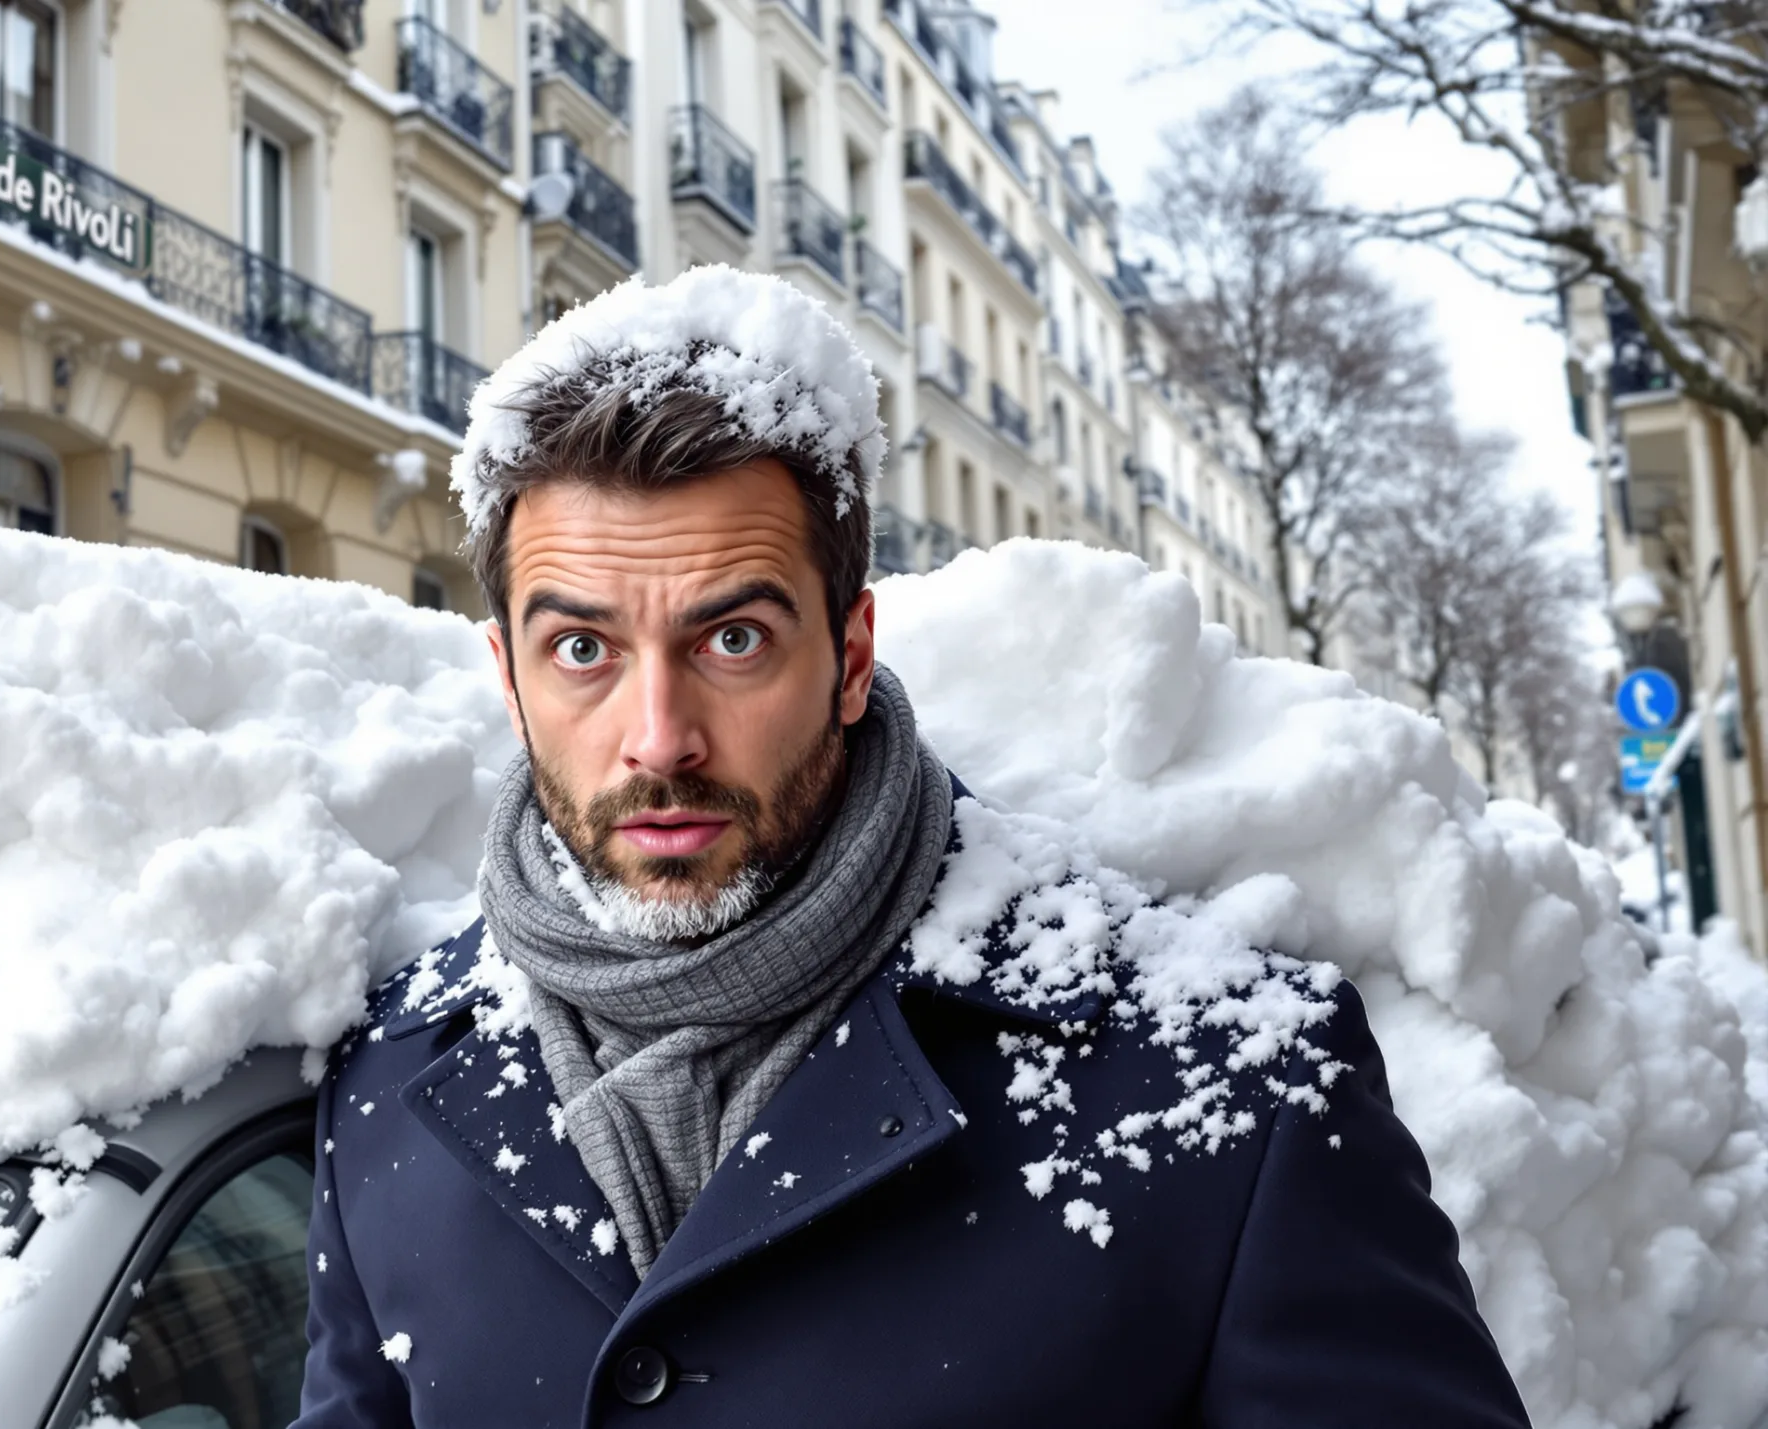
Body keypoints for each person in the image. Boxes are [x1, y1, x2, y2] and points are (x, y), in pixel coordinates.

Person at [290, 265, 1530, 1428]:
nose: (657, 738)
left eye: (733, 641)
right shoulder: (388, 1083)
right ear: (508, 680)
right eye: (583, 650)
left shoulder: (1225, 1080)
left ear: (850, 655)